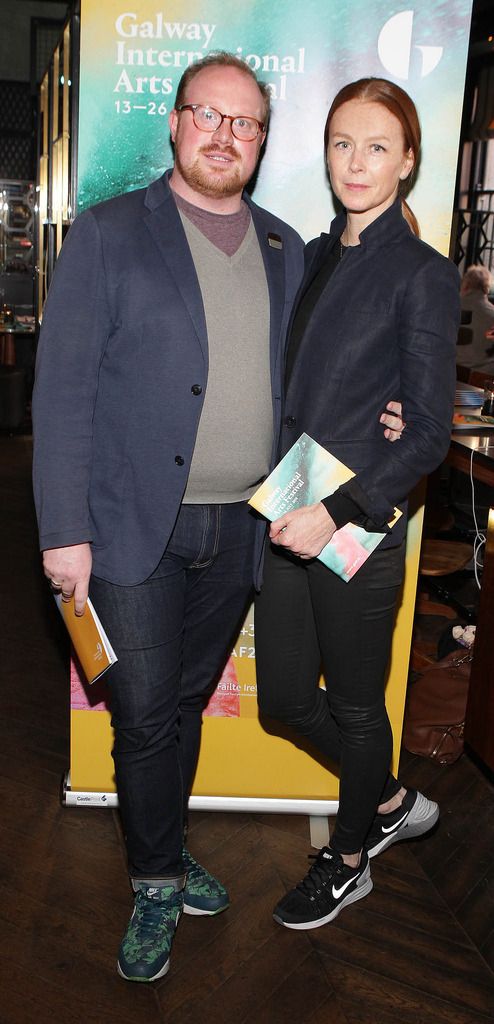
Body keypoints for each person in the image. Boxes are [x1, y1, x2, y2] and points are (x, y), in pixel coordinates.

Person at [32, 53, 401, 982]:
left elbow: (332, 368)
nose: (225, 136)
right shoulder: (111, 233)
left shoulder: (289, 249)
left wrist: (393, 409)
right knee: (148, 715)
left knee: (184, 703)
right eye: (209, 115)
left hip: (245, 528)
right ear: (176, 122)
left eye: (246, 124)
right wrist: (60, 530)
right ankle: (156, 877)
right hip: (131, 530)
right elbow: (63, 392)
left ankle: (162, 845)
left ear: (264, 141)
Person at [254, 77, 460, 931]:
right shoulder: (309, 254)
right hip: (284, 503)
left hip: (356, 525)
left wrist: (335, 513)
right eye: (342, 142)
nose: (356, 161)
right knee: (284, 703)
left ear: (408, 162)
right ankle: (385, 800)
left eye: (378, 146)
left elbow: (428, 437)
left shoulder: (424, 273)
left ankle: (347, 859)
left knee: (353, 705)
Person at [458, 264, 494, 371]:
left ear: (466, 285)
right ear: (486, 288)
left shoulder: (450, 307)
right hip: (481, 377)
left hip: (452, 373)